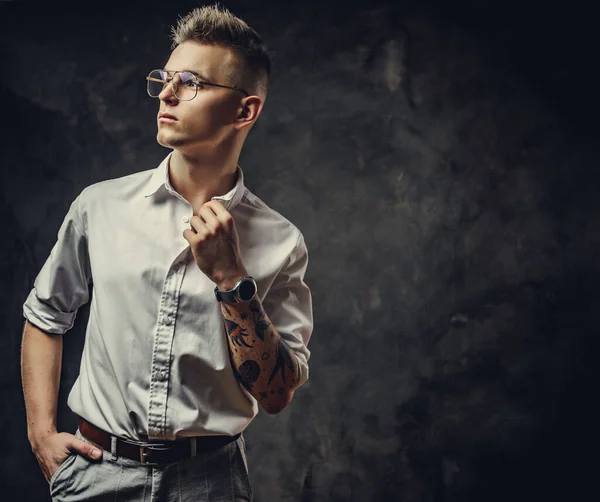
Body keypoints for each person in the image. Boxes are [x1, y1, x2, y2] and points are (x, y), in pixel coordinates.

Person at [20, 3, 313, 501]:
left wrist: (231, 281)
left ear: (245, 110)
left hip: (212, 484)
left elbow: (277, 394)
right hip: (96, 475)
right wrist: (41, 433)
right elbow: (45, 316)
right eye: (165, 78)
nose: (168, 93)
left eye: (193, 82)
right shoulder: (101, 206)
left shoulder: (281, 241)